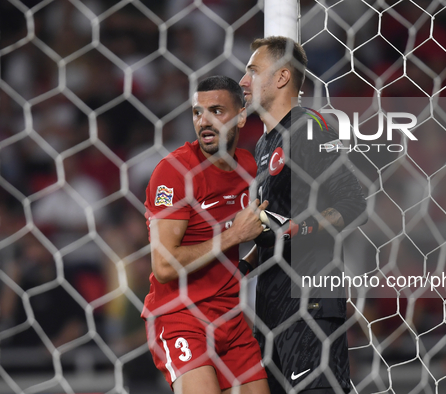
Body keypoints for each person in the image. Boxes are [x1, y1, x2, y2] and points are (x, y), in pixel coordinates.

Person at [239, 37, 367, 393]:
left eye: (252, 71)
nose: (243, 81)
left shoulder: (308, 128)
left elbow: (354, 203)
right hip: (271, 309)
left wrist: (294, 230)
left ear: (281, 78)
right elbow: (274, 226)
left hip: (309, 302)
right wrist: (244, 263)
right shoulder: (264, 144)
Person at [141, 75, 270, 394]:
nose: (205, 121)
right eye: (198, 112)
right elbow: (164, 266)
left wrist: (245, 266)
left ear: (241, 116)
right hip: (181, 319)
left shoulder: (250, 168)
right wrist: (233, 236)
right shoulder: (174, 173)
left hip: (232, 321)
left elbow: (267, 229)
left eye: (216, 111)